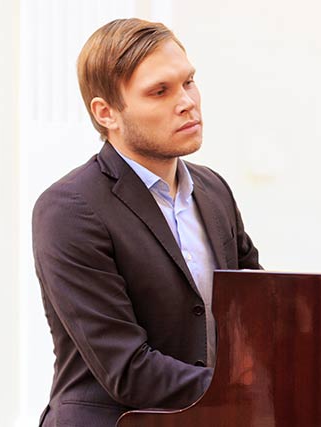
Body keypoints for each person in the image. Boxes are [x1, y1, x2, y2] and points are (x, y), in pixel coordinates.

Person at [31, 18, 262, 426]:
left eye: (189, 82)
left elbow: (260, 308)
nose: (187, 101)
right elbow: (126, 368)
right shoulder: (68, 209)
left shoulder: (213, 190)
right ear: (106, 113)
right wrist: (241, 391)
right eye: (160, 91)